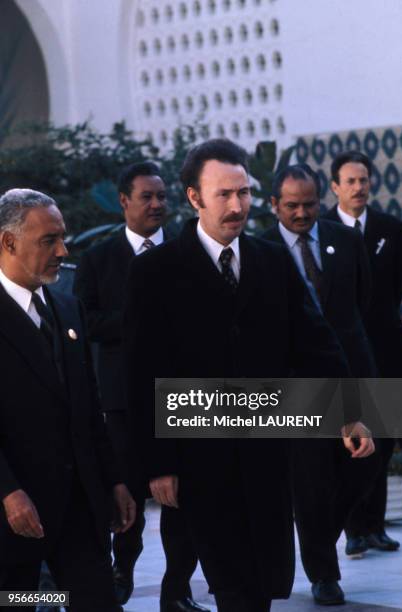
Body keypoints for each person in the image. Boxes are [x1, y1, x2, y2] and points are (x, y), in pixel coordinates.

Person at [123, 139, 372, 612]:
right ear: (194, 197)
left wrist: (350, 413)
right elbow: (142, 371)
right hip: (200, 457)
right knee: (232, 583)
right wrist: (157, 464)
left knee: (266, 582)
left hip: (267, 455)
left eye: (244, 193)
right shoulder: (156, 272)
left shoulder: (271, 260)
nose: (237, 206)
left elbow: (318, 343)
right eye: (224, 194)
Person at [74, 162, 208, 612]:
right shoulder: (97, 259)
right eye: (146, 197)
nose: (156, 205)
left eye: (162, 197)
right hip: (123, 403)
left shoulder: (189, 253)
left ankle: (177, 591)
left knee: (182, 501)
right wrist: (138, 325)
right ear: (124, 201)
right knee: (128, 497)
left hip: (182, 397)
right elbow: (86, 321)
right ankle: (122, 570)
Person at [0, 189, 135, 612]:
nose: (63, 250)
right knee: (19, 603)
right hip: (15, 515)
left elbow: (88, 404)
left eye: (63, 238)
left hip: (80, 507)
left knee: (94, 602)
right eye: (48, 240)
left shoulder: (68, 306)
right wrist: (8, 491)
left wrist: (113, 479)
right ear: (8, 242)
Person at [264, 163, 379, 605]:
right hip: (298, 385)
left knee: (368, 462)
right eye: (291, 205)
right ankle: (323, 573)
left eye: (310, 204)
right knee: (310, 483)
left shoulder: (346, 240)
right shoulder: (262, 251)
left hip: (354, 374)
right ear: (274, 205)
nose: (302, 213)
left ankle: (319, 537)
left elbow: (362, 302)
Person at [325, 151, 402, 556]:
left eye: (364, 180)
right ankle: (353, 528)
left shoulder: (391, 229)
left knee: (386, 439)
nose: (359, 187)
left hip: (387, 350)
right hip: (344, 354)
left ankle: (375, 526)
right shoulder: (321, 232)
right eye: (350, 181)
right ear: (335, 186)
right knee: (353, 440)